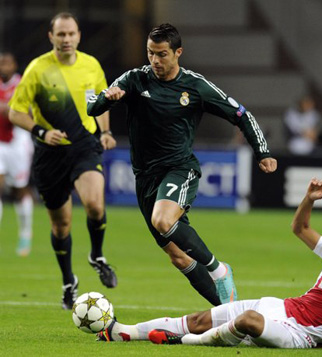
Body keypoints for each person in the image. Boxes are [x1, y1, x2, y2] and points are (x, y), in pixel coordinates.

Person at [96, 179, 322, 354]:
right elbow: (300, 227)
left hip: (303, 336)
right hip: (282, 308)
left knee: (247, 324)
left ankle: (182, 343)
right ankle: (122, 331)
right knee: (201, 316)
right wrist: (309, 199)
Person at [87, 23, 277, 306]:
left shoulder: (196, 86)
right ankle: (231, 313)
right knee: (178, 256)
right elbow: (93, 108)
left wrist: (262, 152)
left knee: (163, 220)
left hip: (179, 168)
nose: (155, 61)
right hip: (145, 178)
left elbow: (241, 114)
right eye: (150, 53)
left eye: (162, 54)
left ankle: (219, 270)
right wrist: (107, 99)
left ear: (178, 52)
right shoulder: (135, 79)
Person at [8, 12, 118, 309]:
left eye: (71, 34)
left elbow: (101, 101)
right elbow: (15, 112)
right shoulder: (38, 70)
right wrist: (41, 131)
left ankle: (97, 255)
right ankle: (69, 280)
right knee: (62, 226)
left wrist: (106, 131)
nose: (66, 39)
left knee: (95, 205)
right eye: (61, 34)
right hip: (50, 153)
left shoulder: (91, 65)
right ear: (51, 37)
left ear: (79, 35)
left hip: (84, 146)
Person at [0, 52, 34, 256]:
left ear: (14, 65)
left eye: (6, 63)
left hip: (18, 143)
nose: (3, 66)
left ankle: (25, 233)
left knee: (19, 190)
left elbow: (30, 111)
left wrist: (9, 109)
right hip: (0, 142)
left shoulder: (23, 84)